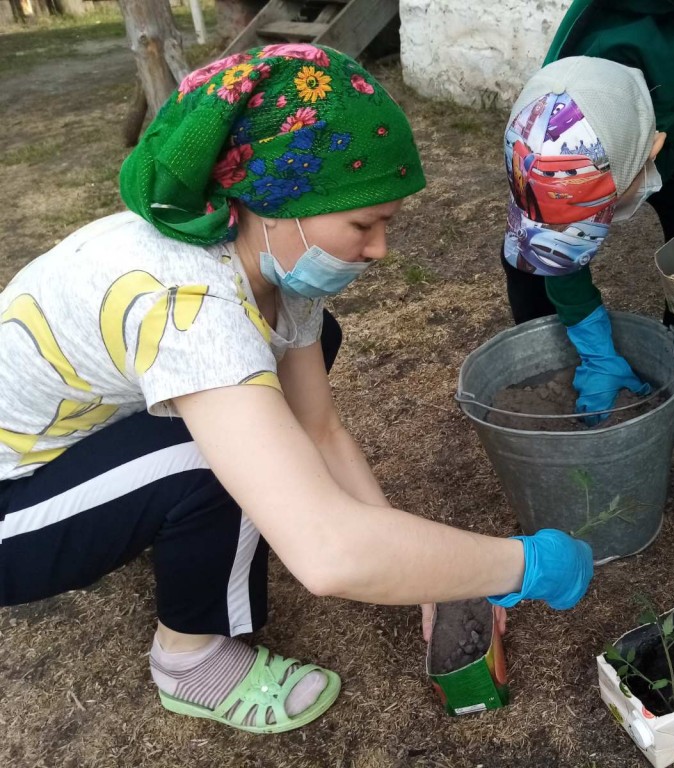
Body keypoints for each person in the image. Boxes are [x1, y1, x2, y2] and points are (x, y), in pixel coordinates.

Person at [0, 44, 593, 734]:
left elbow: (319, 430)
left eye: (388, 223)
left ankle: (157, 511)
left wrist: (429, 583)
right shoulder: (190, 306)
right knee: (210, 452)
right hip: (13, 510)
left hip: (73, 439)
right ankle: (188, 661)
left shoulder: (268, 255)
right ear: (276, 205)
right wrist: (525, 564)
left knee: (276, 390)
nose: (380, 250)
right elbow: (328, 554)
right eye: (363, 225)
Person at [500, 0, 674, 489]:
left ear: (650, 153)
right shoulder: (558, 102)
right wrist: (594, 342)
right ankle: (566, 371)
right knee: (528, 257)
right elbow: (554, 237)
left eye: (599, 212)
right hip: (608, 141)